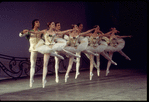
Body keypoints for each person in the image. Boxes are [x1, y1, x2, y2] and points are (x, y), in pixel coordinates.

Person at [30, 21, 77, 88]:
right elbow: (36, 32)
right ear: (49, 25)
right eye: (52, 24)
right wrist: (28, 31)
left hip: (52, 47)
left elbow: (63, 32)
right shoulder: (45, 31)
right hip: (46, 47)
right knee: (45, 64)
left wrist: (72, 29)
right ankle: (44, 80)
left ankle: (73, 56)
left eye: (54, 24)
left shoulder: (55, 32)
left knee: (62, 50)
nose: (53, 25)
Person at [19, 19, 42, 88]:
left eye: (39, 22)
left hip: (41, 47)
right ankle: (31, 79)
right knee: (33, 64)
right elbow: (20, 35)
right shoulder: (30, 32)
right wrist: (22, 32)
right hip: (33, 49)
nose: (38, 23)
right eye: (36, 22)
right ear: (34, 24)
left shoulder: (40, 32)